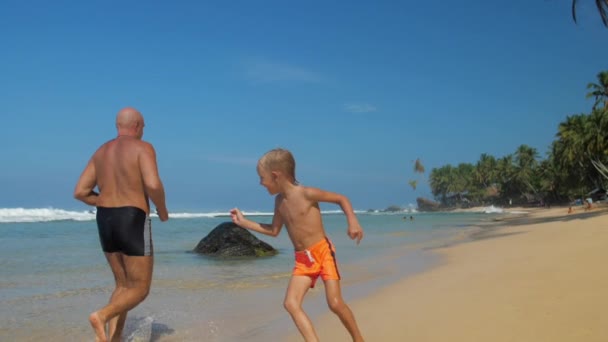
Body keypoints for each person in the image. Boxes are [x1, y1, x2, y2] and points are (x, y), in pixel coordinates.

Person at [230, 148, 364, 342]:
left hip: (322, 252)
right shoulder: (279, 202)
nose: (261, 183)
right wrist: (244, 223)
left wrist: (352, 221)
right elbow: (274, 231)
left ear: (276, 176)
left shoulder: (307, 193)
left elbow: (341, 199)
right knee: (291, 304)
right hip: (303, 260)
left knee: (334, 303)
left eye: (262, 178)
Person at [73, 107, 169, 342]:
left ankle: (114, 338)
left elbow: (80, 192)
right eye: (143, 127)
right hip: (132, 217)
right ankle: (101, 315)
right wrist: (163, 210)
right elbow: (153, 185)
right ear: (137, 126)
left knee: (123, 284)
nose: (144, 131)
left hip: (104, 217)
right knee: (140, 289)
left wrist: (104, 200)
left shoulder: (101, 151)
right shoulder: (143, 148)